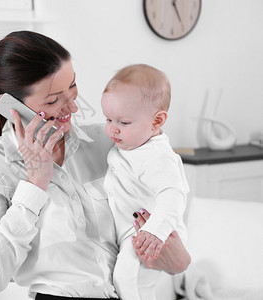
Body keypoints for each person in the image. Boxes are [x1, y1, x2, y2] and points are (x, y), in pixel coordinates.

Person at [0, 31, 190, 300]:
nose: (72, 107)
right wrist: (35, 184)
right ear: (10, 105)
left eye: (72, 87)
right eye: (52, 101)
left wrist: (178, 261)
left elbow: (164, 233)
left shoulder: (111, 143)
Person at [101, 64, 189, 300]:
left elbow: (173, 195)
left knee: (129, 281)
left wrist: (155, 232)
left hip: (148, 233)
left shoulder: (157, 156)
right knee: (123, 280)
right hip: (128, 233)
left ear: (157, 121)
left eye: (123, 123)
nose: (112, 130)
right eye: (108, 119)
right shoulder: (132, 144)